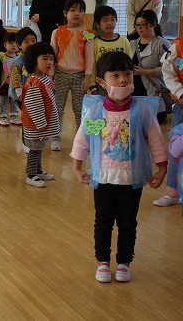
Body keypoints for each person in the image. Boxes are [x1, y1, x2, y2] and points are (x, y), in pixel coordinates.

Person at [71, 51, 167, 283]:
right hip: (103, 178)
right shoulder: (96, 111)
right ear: (102, 81)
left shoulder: (142, 110)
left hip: (131, 180)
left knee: (128, 223)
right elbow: (82, 139)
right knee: (103, 221)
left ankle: (124, 262)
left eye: (127, 74)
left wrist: (162, 168)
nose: (123, 80)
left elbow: (156, 141)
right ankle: (103, 262)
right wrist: (77, 167)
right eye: (115, 75)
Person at [49, 0, 95, 151]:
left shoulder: (87, 34)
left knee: (79, 109)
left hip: (79, 75)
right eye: (73, 10)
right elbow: (52, 55)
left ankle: (80, 140)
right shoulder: (57, 32)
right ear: (65, 13)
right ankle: (56, 138)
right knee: (58, 108)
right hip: (60, 74)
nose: (77, 13)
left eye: (81, 10)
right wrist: (50, 76)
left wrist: (87, 77)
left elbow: (90, 57)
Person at [21, 42, 60, 188]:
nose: (49, 62)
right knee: (35, 150)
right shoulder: (34, 83)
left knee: (39, 149)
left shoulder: (46, 78)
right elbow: (34, 107)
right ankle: (31, 175)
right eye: (44, 59)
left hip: (43, 125)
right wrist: (41, 126)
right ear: (33, 61)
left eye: (51, 58)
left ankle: (38, 170)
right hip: (36, 126)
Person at [129, 9, 171, 123]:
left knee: (154, 121)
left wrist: (145, 72)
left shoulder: (162, 44)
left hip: (154, 92)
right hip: (134, 92)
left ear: (153, 24)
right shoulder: (132, 44)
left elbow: (168, 69)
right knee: (136, 122)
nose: (139, 28)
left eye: (143, 24)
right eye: (137, 25)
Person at [158, 31, 183, 207]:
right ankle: (175, 191)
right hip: (181, 103)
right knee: (177, 147)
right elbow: (168, 72)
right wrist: (180, 93)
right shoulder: (178, 47)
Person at [90, 6, 131, 95]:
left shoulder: (124, 40)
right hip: (102, 85)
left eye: (112, 19)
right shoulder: (95, 43)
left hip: (122, 83)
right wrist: (92, 85)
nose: (109, 23)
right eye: (105, 20)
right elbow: (92, 66)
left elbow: (129, 63)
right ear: (98, 24)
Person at [0, 33, 20, 127]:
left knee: (14, 100)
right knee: (3, 100)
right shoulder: (2, 56)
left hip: (15, 84)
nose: (14, 45)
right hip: (4, 83)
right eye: (10, 43)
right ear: (5, 45)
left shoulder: (19, 57)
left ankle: (14, 116)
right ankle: (3, 117)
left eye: (16, 43)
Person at [9, 27, 38, 103]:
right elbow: (15, 79)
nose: (30, 44)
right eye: (26, 41)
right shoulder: (17, 61)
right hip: (21, 95)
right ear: (19, 45)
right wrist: (20, 94)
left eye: (33, 41)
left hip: (35, 93)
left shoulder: (38, 59)